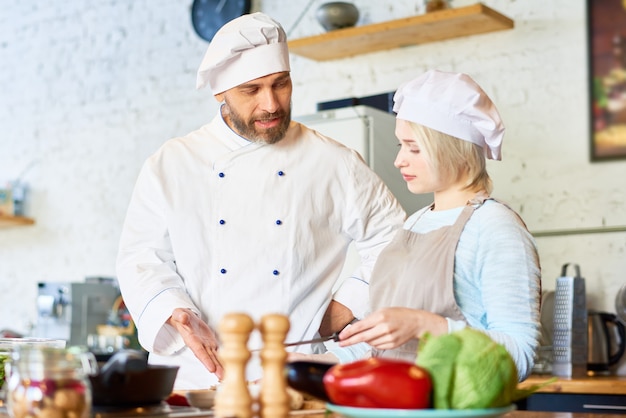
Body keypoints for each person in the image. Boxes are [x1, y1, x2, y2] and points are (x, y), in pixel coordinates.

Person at [115, 12, 406, 390]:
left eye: (280, 84)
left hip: (289, 374)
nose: (270, 104)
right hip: (195, 377)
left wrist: (349, 303)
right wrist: (175, 312)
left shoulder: (334, 162)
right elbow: (140, 257)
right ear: (220, 93)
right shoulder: (171, 163)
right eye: (251, 90)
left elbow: (396, 242)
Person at [295, 70, 542, 381]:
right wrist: (312, 363)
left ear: (455, 148)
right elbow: (383, 349)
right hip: (392, 403)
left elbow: (520, 355)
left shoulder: (496, 228)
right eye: (401, 145)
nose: (400, 160)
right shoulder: (415, 223)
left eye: (413, 147)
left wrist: (426, 325)